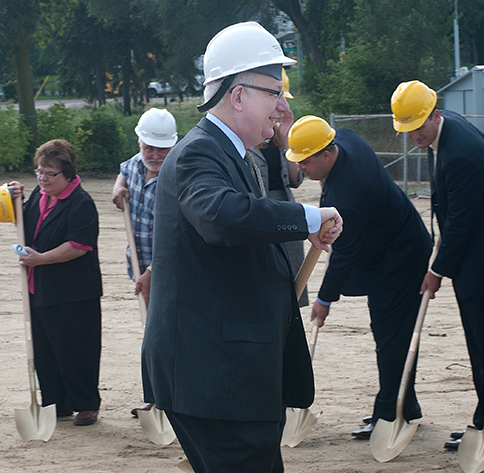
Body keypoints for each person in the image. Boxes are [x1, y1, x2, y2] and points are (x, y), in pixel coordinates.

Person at [140, 22, 342, 473]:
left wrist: (296, 228)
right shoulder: (198, 153)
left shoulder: (231, 154)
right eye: (274, 92)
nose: (282, 106)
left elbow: (241, 226)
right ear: (238, 95)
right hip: (216, 380)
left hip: (229, 376)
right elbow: (220, 216)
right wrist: (307, 217)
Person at [285, 115, 432, 439]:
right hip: (393, 243)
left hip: (399, 259)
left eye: (306, 162)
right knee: (391, 335)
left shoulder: (349, 193)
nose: (302, 170)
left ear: (326, 155)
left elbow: (344, 255)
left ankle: (389, 413)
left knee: (391, 336)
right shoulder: (346, 139)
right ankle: (404, 407)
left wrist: (324, 300)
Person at [390, 80, 484, 451]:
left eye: (417, 126)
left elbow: (461, 222)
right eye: (407, 128)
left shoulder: (460, 152)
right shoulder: (448, 129)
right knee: (480, 345)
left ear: (434, 114)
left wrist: (436, 271)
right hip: (475, 257)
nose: (413, 135)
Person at [9, 139, 103, 426]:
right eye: (39, 171)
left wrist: (42, 258)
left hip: (74, 291)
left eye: (50, 174)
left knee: (76, 349)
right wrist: (15, 200)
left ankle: (86, 404)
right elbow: (23, 225)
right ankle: (56, 401)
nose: (43, 178)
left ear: (69, 174)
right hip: (40, 287)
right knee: (45, 348)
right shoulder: (39, 194)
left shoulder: (81, 203)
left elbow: (78, 245)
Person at [111, 107, 177, 417]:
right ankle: (154, 397)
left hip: (167, 269)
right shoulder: (134, 165)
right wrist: (118, 186)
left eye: (161, 149)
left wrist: (152, 271)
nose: (153, 154)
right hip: (137, 265)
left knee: (164, 333)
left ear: (173, 146)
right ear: (139, 142)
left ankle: (168, 398)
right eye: (148, 146)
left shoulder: (178, 174)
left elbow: (179, 233)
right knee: (151, 332)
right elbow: (124, 169)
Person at [247, 70, 308, 307]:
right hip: (261, 215)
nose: (281, 107)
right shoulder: (246, 140)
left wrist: (286, 140)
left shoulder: (279, 138)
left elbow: (295, 180)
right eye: (276, 98)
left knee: (292, 281)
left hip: (284, 209)